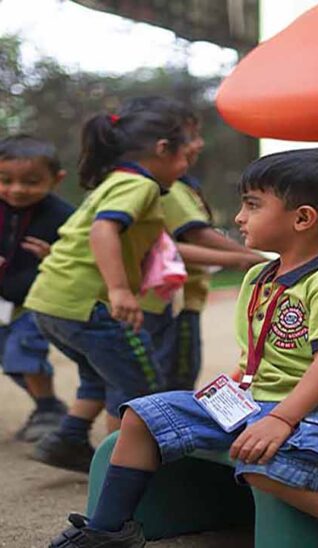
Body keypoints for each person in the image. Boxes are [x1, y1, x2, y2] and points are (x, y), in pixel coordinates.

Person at [48, 149, 318, 548]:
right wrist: (228, 388)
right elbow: (256, 356)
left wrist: (280, 419)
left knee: (267, 466)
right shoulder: (259, 277)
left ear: (302, 218)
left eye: (253, 205)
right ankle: (107, 530)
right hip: (257, 399)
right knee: (141, 417)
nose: (240, 217)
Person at [25, 105, 191, 473]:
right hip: (91, 303)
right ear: (163, 149)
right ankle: (123, 471)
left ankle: (68, 440)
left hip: (52, 301)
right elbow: (104, 230)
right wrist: (119, 290)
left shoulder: (116, 180)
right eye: (185, 155)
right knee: (140, 386)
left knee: (101, 375)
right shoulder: (139, 184)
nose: (186, 166)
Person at [121, 96, 262, 391]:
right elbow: (193, 236)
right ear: (161, 146)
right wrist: (252, 259)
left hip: (165, 299)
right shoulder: (165, 188)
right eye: (190, 136)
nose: (199, 144)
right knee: (174, 378)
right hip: (171, 299)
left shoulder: (150, 184)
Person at [0, 135, 74, 442]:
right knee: (10, 361)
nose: (17, 189)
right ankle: (49, 406)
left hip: (39, 300)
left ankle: (46, 409)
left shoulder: (63, 216)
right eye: (5, 180)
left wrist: (53, 256)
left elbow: (80, 255)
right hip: (4, 302)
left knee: (24, 350)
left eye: (30, 182)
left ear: (57, 179)